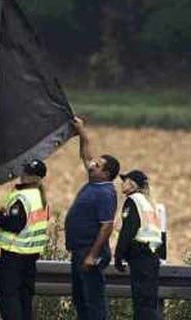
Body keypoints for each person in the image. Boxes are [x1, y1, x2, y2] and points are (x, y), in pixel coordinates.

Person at [65, 117, 120, 320]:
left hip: (90, 252)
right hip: (80, 250)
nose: (92, 164)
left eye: (98, 165)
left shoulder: (105, 193)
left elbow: (106, 227)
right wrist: (81, 131)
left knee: (93, 300)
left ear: (106, 174)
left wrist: (92, 255)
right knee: (81, 298)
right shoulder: (95, 183)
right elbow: (86, 154)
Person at [0, 159, 49, 320]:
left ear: (34, 177)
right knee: (24, 298)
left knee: (9, 299)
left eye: (27, 173)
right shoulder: (40, 196)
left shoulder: (22, 197)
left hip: (14, 254)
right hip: (30, 255)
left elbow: (15, 224)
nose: (24, 175)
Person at [114, 170, 163, 320]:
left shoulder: (133, 201)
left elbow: (128, 230)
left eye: (125, 180)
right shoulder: (148, 203)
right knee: (149, 303)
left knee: (142, 306)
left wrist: (119, 255)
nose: (122, 183)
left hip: (140, 258)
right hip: (152, 257)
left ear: (132, 183)